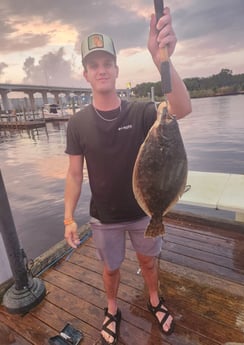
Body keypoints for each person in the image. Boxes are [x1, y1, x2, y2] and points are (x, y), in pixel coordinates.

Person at [64, 6, 191, 345]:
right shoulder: (77, 124)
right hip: (104, 217)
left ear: (117, 70)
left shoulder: (142, 111)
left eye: (107, 63)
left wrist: (161, 60)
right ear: (86, 74)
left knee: (149, 263)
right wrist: (68, 219)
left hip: (144, 212)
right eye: (94, 65)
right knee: (110, 270)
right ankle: (111, 308)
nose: (101, 70)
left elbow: (180, 109)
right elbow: (75, 175)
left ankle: (154, 300)